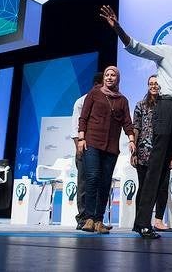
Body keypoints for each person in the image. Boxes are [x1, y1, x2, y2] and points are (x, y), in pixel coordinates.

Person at [99, 4, 172, 240]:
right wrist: (118, 28)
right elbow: (136, 47)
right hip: (166, 109)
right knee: (156, 167)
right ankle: (143, 223)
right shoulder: (165, 51)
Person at [77, 66, 135, 234]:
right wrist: (81, 138)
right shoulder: (94, 94)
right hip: (92, 142)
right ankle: (88, 218)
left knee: (104, 183)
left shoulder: (122, 100)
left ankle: (99, 219)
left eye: (113, 75)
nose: (110, 77)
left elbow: (127, 122)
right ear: (103, 78)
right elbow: (83, 118)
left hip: (111, 147)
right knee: (93, 178)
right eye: (107, 75)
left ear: (118, 79)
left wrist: (131, 139)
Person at [132, 74, 172, 232]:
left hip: (164, 151)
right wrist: (133, 150)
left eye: (156, 83)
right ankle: (140, 222)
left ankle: (158, 221)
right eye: (151, 83)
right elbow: (135, 127)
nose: (154, 86)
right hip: (144, 152)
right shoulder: (141, 105)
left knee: (163, 187)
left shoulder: (168, 105)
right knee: (144, 188)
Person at [71, 71, 104, 230]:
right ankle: (83, 218)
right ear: (96, 85)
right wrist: (79, 150)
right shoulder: (81, 101)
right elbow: (75, 128)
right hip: (84, 149)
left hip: (100, 151)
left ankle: (96, 219)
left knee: (98, 185)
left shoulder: (107, 101)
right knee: (84, 185)